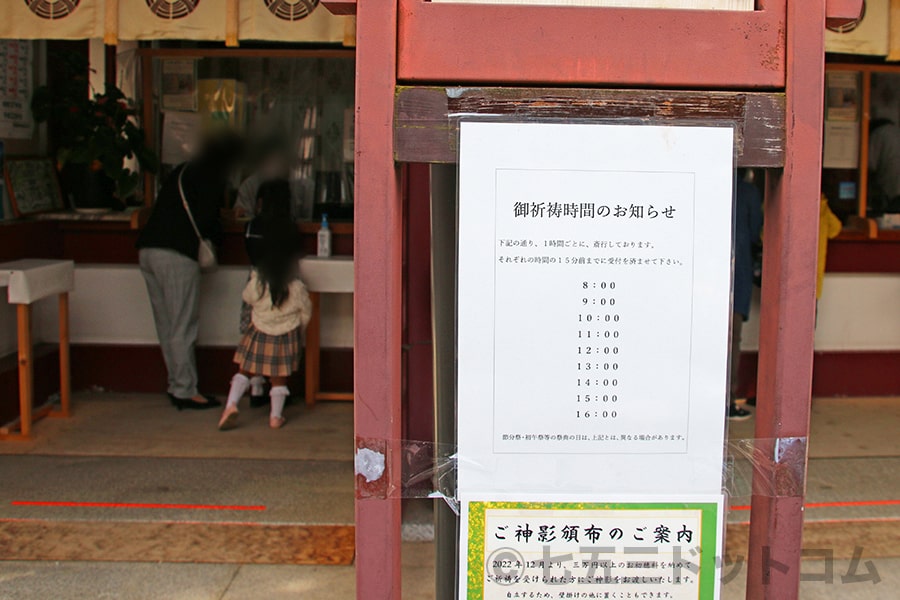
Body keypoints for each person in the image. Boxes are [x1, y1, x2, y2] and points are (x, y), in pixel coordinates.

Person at [136, 132, 242, 410]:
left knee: (166, 324)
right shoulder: (211, 175)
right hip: (177, 254)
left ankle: (176, 384)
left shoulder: (183, 171)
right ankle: (185, 390)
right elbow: (208, 220)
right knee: (183, 324)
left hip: (148, 250)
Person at [218, 180, 311, 430]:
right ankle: (275, 416)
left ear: (261, 201)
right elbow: (304, 308)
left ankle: (239, 400)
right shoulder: (291, 229)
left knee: (247, 365)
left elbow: (249, 294)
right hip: (285, 314)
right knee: (279, 373)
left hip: (260, 296)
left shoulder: (252, 227)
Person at [729, 169, 763, 421]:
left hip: (701, 276)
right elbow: (756, 232)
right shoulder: (748, 192)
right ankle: (728, 401)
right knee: (732, 338)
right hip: (737, 270)